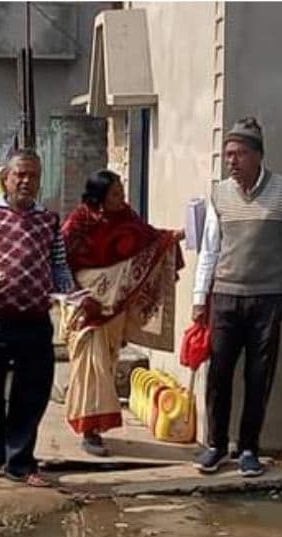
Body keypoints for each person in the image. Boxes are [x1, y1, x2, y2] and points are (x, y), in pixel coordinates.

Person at [192, 117, 282, 478]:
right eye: (228, 154)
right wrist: (200, 298)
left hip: (268, 299)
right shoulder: (220, 194)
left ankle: (249, 448)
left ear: (257, 155)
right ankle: (216, 445)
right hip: (226, 297)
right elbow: (209, 250)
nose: (231, 161)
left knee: (259, 375)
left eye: (239, 154)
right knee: (219, 373)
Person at [0, 149, 75, 487]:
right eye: (20, 174)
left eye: (33, 175)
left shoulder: (49, 221)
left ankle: (20, 462)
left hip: (35, 317)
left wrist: (68, 292)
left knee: (32, 391)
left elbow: (58, 265)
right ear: (6, 178)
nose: (26, 181)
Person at [61, 170, 184, 456]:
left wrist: (173, 237)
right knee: (91, 367)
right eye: (115, 194)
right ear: (99, 196)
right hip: (86, 307)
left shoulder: (127, 217)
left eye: (122, 193)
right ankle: (89, 431)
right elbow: (60, 261)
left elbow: (151, 239)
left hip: (114, 309)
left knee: (107, 364)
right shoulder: (79, 221)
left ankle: (96, 426)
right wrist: (79, 296)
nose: (121, 198)